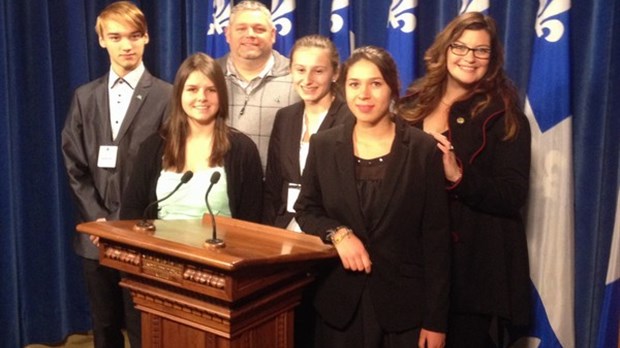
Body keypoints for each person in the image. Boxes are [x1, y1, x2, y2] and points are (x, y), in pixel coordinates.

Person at [294, 46, 450, 348]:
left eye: (375, 83)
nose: (363, 94)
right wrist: (339, 234)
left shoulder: (422, 150)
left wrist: (435, 320)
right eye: (354, 84)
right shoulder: (324, 144)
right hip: (340, 306)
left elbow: (437, 242)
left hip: (405, 312)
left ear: (392, 88)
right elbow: (307, 209)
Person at [396, 12, 532, 347]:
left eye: (481, 51)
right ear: (445, 49)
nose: (469, 58)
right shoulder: (409, 105)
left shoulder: (506, 116)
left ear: (493, 58)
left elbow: (512, 194)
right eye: (460, 47)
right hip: (410, 263)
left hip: (471, 274)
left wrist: (458, 174)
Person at [61, 2, 171, 347]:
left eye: (135, 36)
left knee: (144, 327)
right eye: (116, 36)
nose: (127, 45)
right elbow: (74, 163)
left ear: (147, 38)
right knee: (104, 326)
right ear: (101, 40)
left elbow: (170, 167)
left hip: (143, 235)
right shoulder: (84, 97)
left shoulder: (168, 96)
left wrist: (126, 225)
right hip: (96, 239)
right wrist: (99, 222)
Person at [119, 52, 263, 225]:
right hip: (160, 248)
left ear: (222, 96)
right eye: (192, 89)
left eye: (211, 90)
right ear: (179, 94)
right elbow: (132, 211)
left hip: (220, 249)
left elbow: (252, 220)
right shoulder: (153, 146)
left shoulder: (243, 149)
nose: (202, 97)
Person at [263, 34, 350, 231]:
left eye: (318, 71)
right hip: (285, 229)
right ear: (290, 71)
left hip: (330, 232)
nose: (308, 80)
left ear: (335, 73)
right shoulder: (285, 117)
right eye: (300, 70)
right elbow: (273, 186)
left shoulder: (350, 120)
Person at [217, 0, 300, 169]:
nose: (250, 35)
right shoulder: (209, 77)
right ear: (227, 34)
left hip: (275, 188)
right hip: (217, 186)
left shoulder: (298, 79)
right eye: (241, 28)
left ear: (273, 35)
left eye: (259, 29)